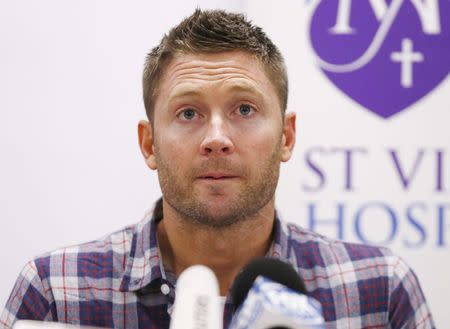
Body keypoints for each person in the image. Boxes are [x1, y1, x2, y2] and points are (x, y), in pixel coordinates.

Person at [0, 9, 435, 329]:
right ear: (149, 144)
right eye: (188, 113)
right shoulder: (57, 291)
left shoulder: (380, 290)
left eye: (244, 108)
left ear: (286, 137)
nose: (217, 137)